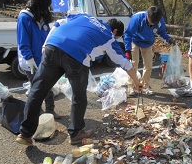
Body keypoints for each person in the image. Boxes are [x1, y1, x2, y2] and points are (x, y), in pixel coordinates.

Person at [15, 14, 143, 146]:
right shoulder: (108, 36)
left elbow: (58, 23)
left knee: (37, 91)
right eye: (117, 37)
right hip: (76, 57)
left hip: (52, 45)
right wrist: (137, 82)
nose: (116, 39)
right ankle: (75, 133)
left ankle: (25, 133)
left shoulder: (85, 17)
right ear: (115, 32)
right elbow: (124, 63)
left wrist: (45, 44)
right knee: (79, 96)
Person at [16, 0, 59, 119]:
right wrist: (29, 58)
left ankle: (50, 111)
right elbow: (23, 42)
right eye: (46, 6)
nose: (48, 9)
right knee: (36, 88)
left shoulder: (40, 18)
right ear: (40, 5)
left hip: (43, 59)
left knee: (48, 86)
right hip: (31, 61)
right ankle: (37, 113)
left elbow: (47, 38)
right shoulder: (24, 18)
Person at [124, 5, 176, 96]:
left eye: (154, 24)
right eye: (151, 22)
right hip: (135, 41)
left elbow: (162, 32)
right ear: (147, 15)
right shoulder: (137, 18)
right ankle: (131, 86)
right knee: (133, 64)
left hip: (148, 43)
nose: (152, 25)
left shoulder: (160, 21)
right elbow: (128, 34)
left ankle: (144, 86)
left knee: (148, 65)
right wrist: (127, 50)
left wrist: (169, 40)